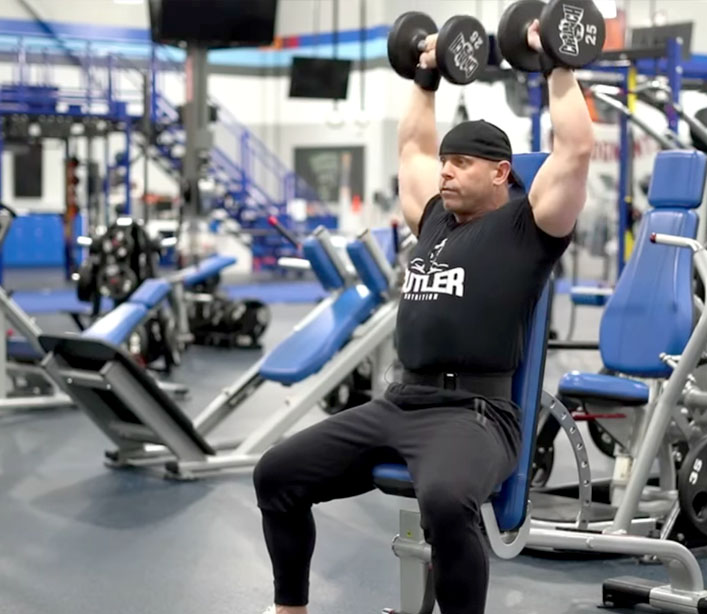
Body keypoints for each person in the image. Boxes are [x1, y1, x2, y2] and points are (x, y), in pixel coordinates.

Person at [253, 18, 593, 614]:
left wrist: (555, 60)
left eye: (460, 163)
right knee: (276, 476)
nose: (445, 172)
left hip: (477, 416)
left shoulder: (530, 227)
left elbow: (577, 149)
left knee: (444, 500)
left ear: (500, 173)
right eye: (446, 162)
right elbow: (412, 147)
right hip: (400, 404)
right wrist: (426, 72)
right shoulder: (434, 219)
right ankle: (290, 610)